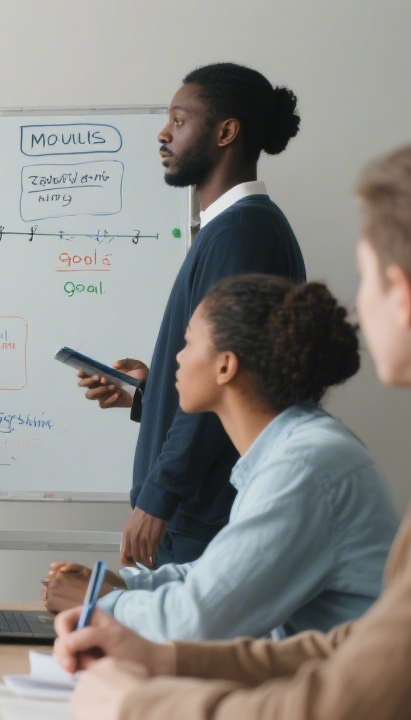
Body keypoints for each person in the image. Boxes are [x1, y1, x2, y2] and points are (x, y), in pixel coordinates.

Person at [52, 131, 411, 719]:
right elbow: (364, 648)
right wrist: (163, 661)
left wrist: (140, 703)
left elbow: (360, 700)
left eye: (365, 276)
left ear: (404, 295)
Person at [43, 275, 398, 641]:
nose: (177, 358)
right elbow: (218, 576)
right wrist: (125, 586)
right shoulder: (291, 451)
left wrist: (102, 603)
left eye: (188, 342)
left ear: (225, 366)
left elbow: (198, 622)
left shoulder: (301, 467)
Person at [73, 62, 307, 567]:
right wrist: (149, 390)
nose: (163, 134)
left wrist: (158, 498)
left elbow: (227, 380)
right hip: (199, 517)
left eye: (179, 121)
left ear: (226, 132)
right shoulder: (232, 230)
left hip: (204, 523)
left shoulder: (241, 234)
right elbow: (224, 372)